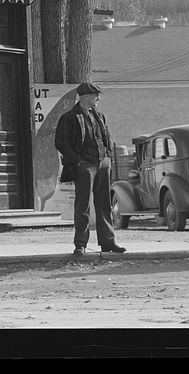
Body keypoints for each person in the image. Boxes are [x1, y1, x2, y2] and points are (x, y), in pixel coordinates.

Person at [54, 82, 126, 256]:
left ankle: (108, 242)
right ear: (85, 96)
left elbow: (106, 137)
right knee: (83, 205)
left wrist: (108, 157)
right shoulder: (69, 117)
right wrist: (77, 161)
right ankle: (81, 244)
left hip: (102, 164)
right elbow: (61, 143)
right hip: (84, 165)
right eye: (96, 96)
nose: (98, 99)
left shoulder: (100, 116)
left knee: (104, 204)